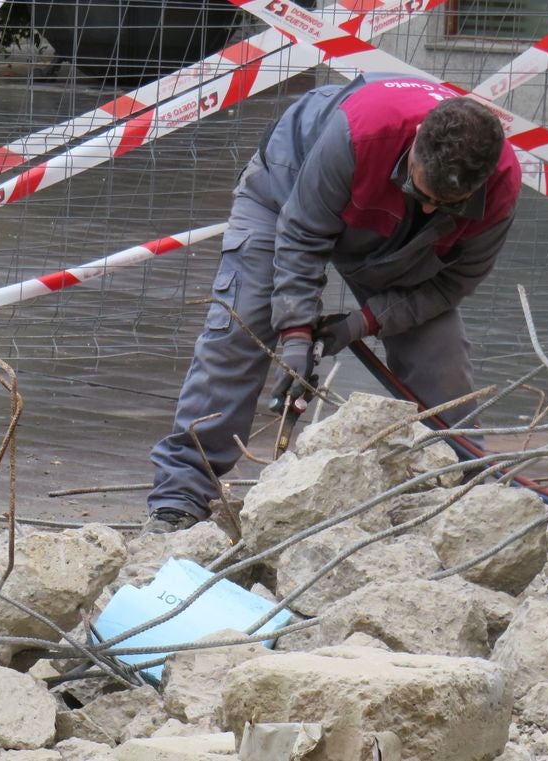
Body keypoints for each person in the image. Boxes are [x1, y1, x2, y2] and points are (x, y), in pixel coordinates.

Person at [144, 73, 521, 533]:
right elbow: (301, 236)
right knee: (239, 331)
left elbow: (449, 287)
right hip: (285, 197)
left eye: (446, 204)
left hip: (398, 242)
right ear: (417, 140)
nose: (429, 209)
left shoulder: (500, 187)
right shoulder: (359, 132)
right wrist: (296, 338)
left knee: (440, 359)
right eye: (422, 193)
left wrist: (360, 324)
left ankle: (475, 499)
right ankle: (180, 495)